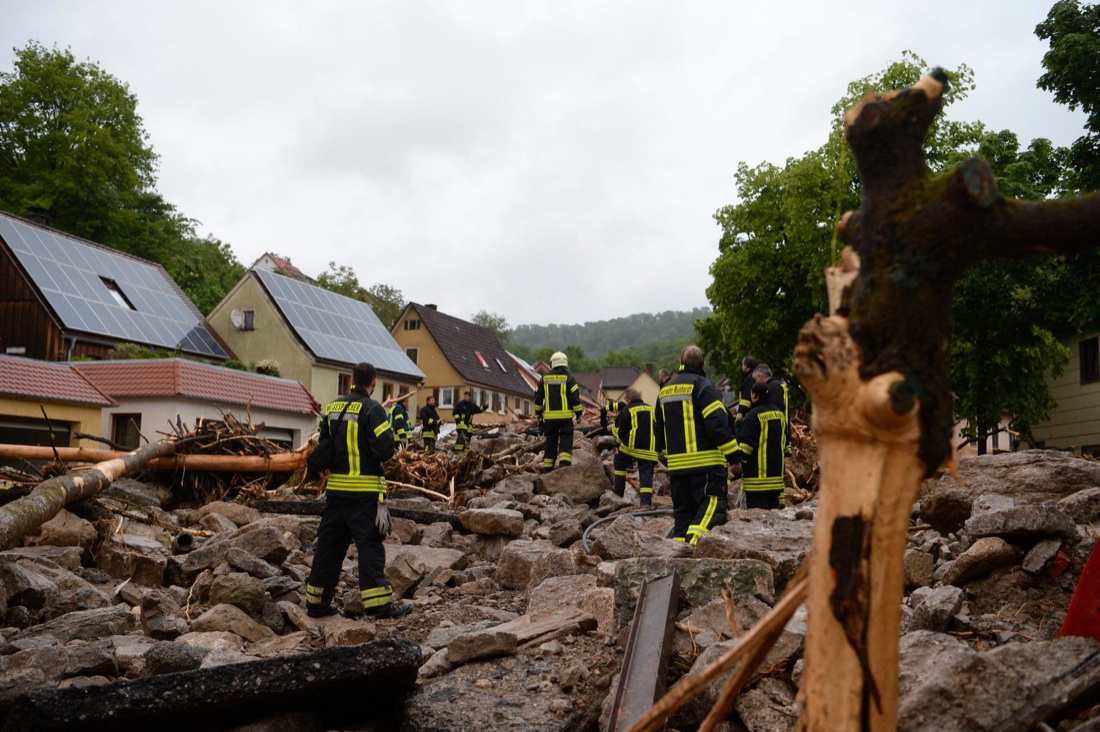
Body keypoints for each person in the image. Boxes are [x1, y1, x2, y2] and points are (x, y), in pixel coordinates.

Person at [305, 362, 411, 620]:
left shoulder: (332, 408)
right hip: (364, 494)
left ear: (353, 380)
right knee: (369, 548)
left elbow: (324, 445)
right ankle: (378, 606)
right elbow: (385, 450)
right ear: (372, 384)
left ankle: (316, 603)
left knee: (328, 547)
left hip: (336, 493)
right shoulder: (373, 409)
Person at [655, 345, 740, 545]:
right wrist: (734, 456)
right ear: (703, 364)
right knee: (712, 509)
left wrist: (667, 455)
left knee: (683, 516)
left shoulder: (664, 391)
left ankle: (677, 553)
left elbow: (658, 428)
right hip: (706, 466)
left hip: (676, 468)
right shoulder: (704, 387)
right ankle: (692, 548)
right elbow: (717, 426)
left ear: (680, 363)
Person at [601, 387, 657, 506]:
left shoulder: (627, 410)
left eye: (626, 399)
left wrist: (613, 430)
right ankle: (646, 503)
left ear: (629, 398)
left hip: (631, 448)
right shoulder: (651, 408)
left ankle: (619, 489)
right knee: (646, 472)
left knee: (619, 459)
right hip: (649, 449)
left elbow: (621, 436)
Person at [734, 382, 787, 509]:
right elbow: (784, 441)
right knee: (775, 518)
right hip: (776, 478)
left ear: (754, 395)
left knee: (759, 522)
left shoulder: (753, 415)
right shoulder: (779, 414)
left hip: (757, 481)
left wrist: (738, 461)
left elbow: (747, 445)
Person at [534, 351, 582, 471]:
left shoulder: (544, 378)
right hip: (565, 418)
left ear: (552, 363)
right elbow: (574, 397)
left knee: (551, 441)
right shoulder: (569, 378)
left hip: (549, 418)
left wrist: (539, 413)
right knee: (566, 439)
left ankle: (548, 468)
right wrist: (579, 413)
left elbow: (538, 397)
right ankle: (564, 465)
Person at [752, 363, 791, 455]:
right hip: (783, 433)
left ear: (759, 376)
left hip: (778, 436)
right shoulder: (778, 385)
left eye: (755, 379)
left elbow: (774, 414)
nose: (755, 383)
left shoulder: (773, 388)